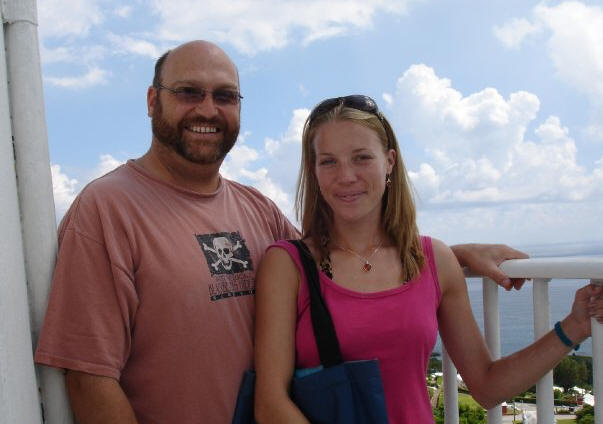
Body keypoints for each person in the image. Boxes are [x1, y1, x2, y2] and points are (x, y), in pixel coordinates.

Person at [35, 41, 529, 424]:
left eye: (224, 96)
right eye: (189, 92)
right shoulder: (107, 210)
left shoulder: (255, 208)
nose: (207, 109)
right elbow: (89, 377)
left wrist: (453, 256)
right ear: (151, 101)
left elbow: (345, 261)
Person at [253, 95, 603, 423]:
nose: (346, 176)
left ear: (389, 162)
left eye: (362, 157)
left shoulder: (434, 260)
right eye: (328, 161)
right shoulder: (288, 266)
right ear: (313, 171)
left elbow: (486, 385)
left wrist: (573, 327)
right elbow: (270, 403)